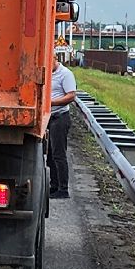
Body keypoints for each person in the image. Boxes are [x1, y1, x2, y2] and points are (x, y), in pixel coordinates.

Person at [47, 48, 77, 198]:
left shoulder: (65, 74)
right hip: (49, 117)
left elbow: (71, 96)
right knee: (51, 154)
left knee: (59, 154)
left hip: (60, 117)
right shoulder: (47, 73)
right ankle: (54, 185)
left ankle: (63, 189)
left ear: (54, 59)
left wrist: (51, 103)